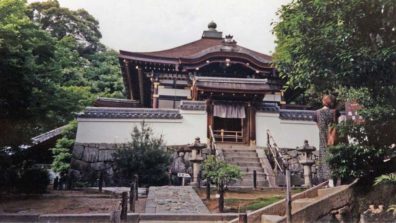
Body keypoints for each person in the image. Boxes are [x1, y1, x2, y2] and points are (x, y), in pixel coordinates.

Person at [315, 95, 338, 187]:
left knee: (324, 156)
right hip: (333, 136)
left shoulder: (316, 113)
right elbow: (336, 124)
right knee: (333, 155)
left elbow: (318, 125)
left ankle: (327, 180)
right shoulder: (335, 112)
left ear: (323, 102)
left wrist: (323, 131)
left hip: (322, 137)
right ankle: (333, 179)